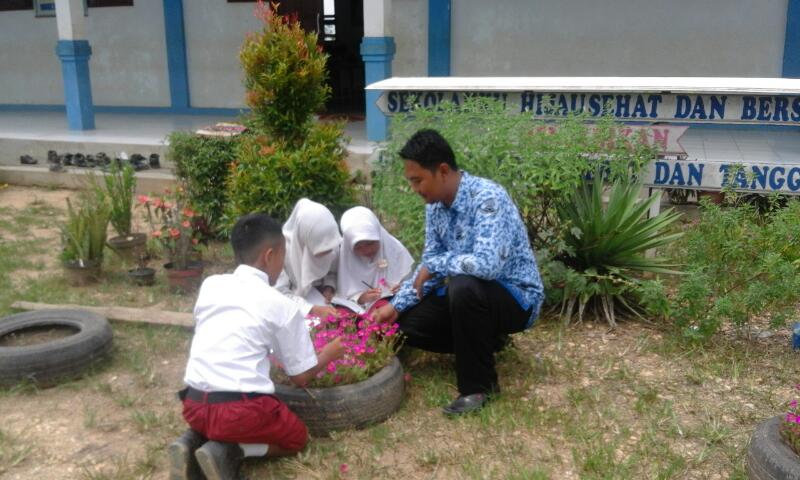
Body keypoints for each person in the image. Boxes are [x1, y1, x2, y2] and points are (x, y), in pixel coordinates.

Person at [372, 129, 544, 416]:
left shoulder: (488, 198)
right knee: (406, 324)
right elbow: (429, 264)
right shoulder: (435, 207)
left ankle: (478, 387)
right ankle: (488, 341)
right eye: (410, 181)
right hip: (472, 299)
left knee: (463, 286)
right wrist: (395, 306)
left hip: (516, 298)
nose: (414, 188)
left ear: (442, 171)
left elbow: (487, 265)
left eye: (417, 180)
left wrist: (436, 265)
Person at [168, 213, 346, 480]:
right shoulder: (281, 305)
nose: (283, 264)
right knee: (297, 438)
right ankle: (231, 451)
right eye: (283, 255)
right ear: (269, 255)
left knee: (219, 420)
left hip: (193, 404)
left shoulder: (210, 285)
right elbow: (300, 378)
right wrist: (330, 353)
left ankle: (189, 443)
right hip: (240, 411)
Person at [337, 206, 414, 308]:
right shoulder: (346, 260)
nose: (367, 250)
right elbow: (343, 295)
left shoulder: (395, 250)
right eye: (358, 247)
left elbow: (411, 282)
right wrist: (360, 298)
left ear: (378, 235)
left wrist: (402, 288)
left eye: (370, 243)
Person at [276, 198, 340, 320]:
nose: (327, 254)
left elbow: (332, 271)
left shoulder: (331, 242)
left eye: (329, 249)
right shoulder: (282, 251)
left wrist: (329, 286)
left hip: (322, 300)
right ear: (305, 240)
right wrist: (312, 309)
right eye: (320, 251)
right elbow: (279, 293)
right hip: (296, 308)